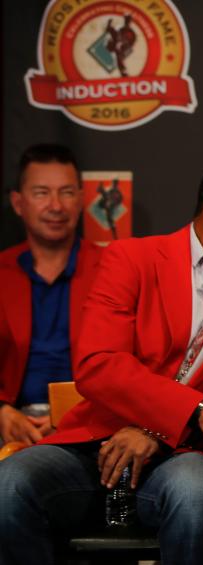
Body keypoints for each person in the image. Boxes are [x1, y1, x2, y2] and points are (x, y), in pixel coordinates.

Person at [0, 153, 203, 565]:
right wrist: (197, 408)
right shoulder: (131, 258)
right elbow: (98, 365)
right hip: (92, 443)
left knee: (197, 496)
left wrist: (158, 431)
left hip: (183, 457)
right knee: (9, 485)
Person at [0, 144, 102, 445]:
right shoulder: (2, 270)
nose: (56, 206)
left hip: (90, 425)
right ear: (19, 203)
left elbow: (133, 367)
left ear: (82, 200)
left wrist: (76, 415)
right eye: (42, 193)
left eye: (67, 192)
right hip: (11, 423)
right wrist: (2, 412)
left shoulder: (112, 270)